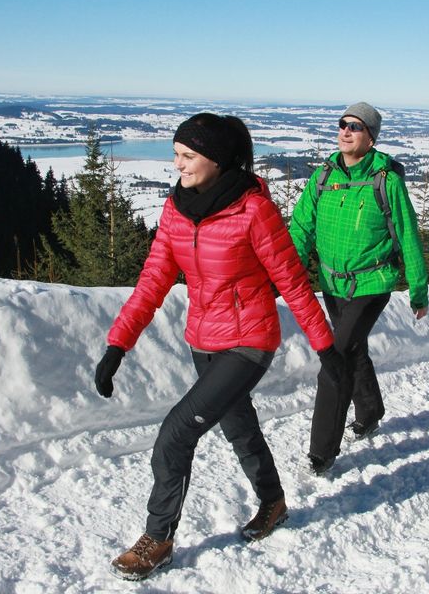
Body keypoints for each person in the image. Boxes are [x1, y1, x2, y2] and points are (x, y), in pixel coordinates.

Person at [95, 113, 342, 581]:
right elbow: (153, 281)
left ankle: (158, 539)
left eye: (188, 156)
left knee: (174, 436)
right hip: (203, 340)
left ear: (217, 159)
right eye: (175, 156)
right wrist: (117, 345)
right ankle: (273, 502)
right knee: (239, 425)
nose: (178, 166)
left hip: (248, 341)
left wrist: (326, 349)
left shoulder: (253, 210)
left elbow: (291, 281)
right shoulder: (176, 209)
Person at [288, 102, 429, 475]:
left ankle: (322, 450)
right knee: (353, 350)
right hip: (333, 283)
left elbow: (407, 235)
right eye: (343, 124)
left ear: (371, 138)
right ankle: (370, 411)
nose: (346, 131)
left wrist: (418, 289)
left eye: (356, 127)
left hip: (372, 282)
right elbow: (300, 229)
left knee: (335, 356)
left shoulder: (387, 181)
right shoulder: (323, 177)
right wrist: (287, 274)